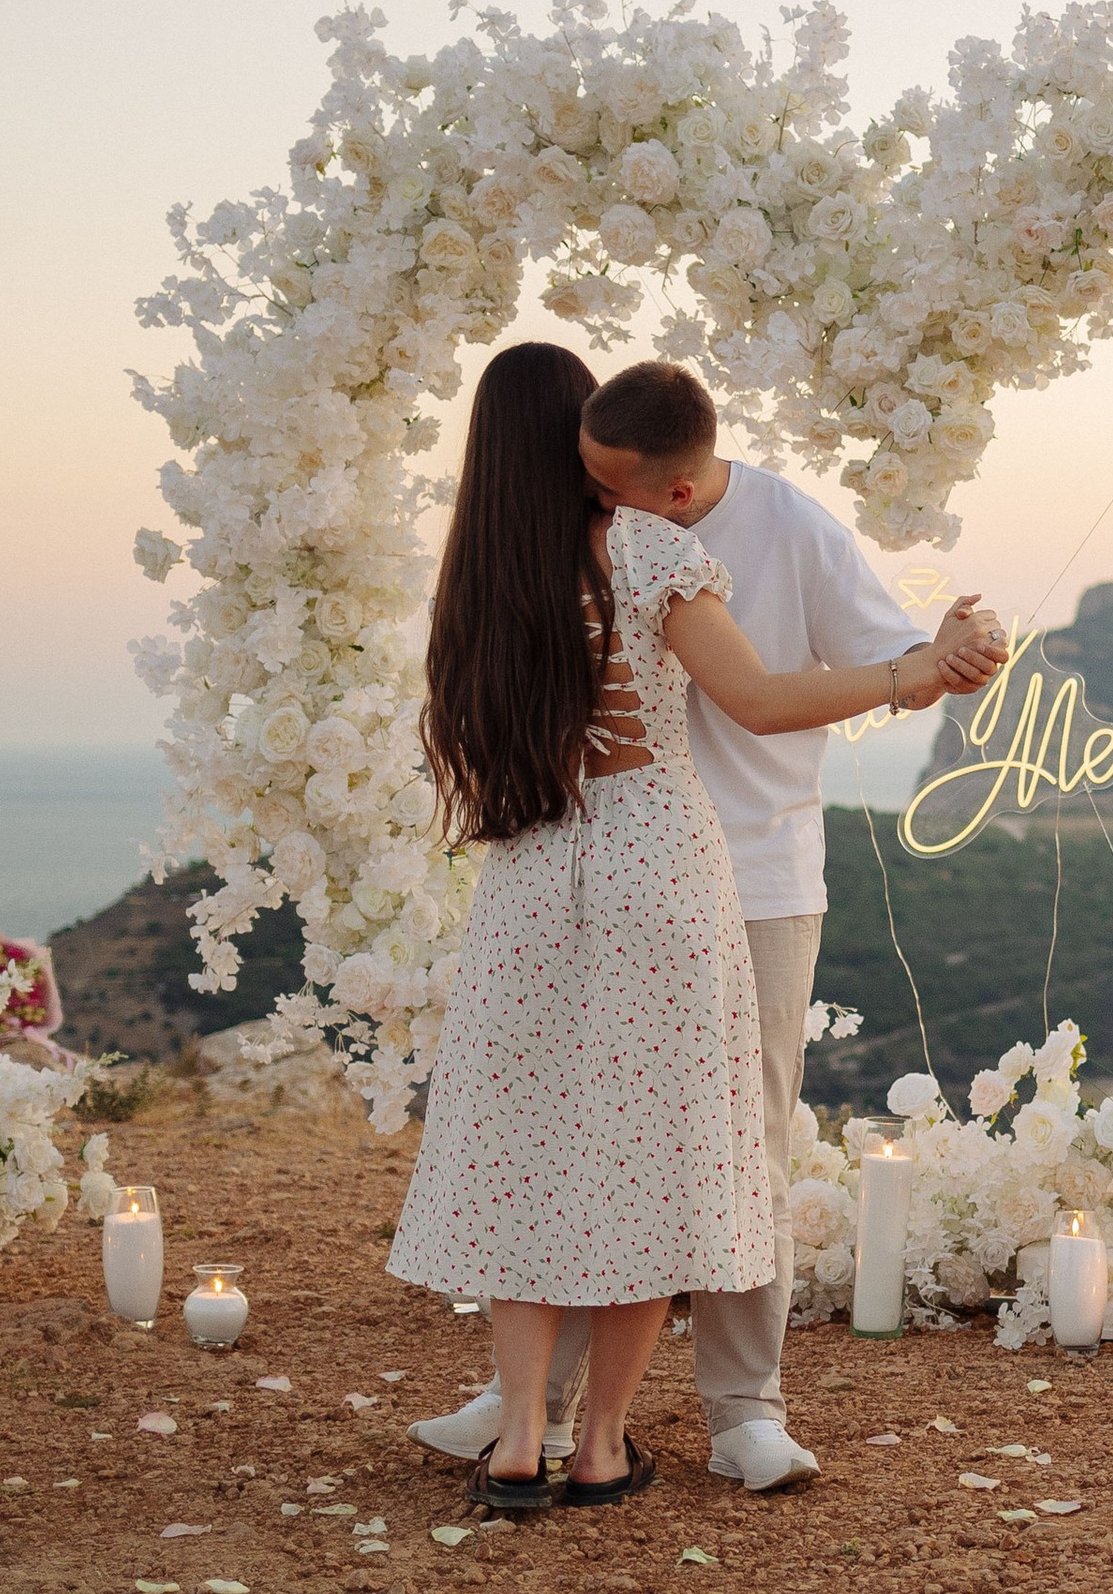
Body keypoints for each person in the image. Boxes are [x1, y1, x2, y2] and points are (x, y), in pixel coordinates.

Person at [409, 350, 1005, 1491]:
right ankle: (558, 1419)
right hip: (640, 868)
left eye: (606, 464)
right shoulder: (624, 544)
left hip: (747, 871)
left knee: (726, 1145)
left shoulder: (774, 523)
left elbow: (896, 651)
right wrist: (912, 675)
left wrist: (940, 660)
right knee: (633, 1145)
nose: (592, 479)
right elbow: (761, 696)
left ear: (656, 470)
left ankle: (739, 1408)